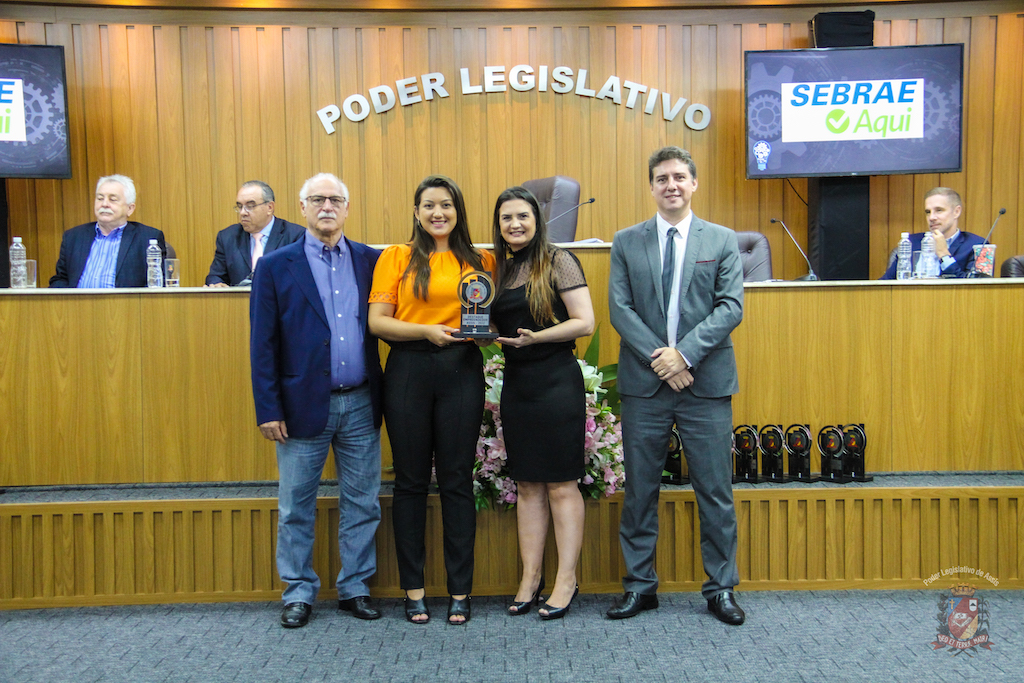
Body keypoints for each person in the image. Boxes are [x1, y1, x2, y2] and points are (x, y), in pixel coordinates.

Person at [607, 146, 746, 626]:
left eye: (680, 177)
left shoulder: (722, 239)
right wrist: (663, 361)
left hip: (704, 384)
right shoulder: (626, 241)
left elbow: (730, 307)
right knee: (640, 492)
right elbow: (620, 310)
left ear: (694, 184)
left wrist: (683, 355)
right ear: (651, 187)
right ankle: (639, 586)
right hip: (645, 386)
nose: (671, 185)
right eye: (662, 178)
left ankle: (721, 588)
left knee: (715, 491)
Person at [250, 172, 384, 629]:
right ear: (302, 207)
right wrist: (268, 408)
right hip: (300, 405)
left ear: (347, 208)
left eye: (335, 199)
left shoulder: (371, 260)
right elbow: (262, 344)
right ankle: (298, 591)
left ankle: (355, 587)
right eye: (317, 199)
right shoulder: (275, 265)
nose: (327, 207)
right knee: (295, 505)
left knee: (363, 502)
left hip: (361, 402)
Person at [368, 175, 496, 625]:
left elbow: (491, 317)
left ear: (458, 211)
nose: (438, 213)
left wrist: (487, 333)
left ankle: (460, 590)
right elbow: (378, 322)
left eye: (446, 205)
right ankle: (414, 589)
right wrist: (425, 332)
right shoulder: (396, 257)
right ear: (416, 212)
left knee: (458, 480)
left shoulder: (482, 260)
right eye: (429, 205)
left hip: (462, 370)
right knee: (411, 481)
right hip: (408, 370)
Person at [490, 187, 595, 621]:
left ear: (537, 220)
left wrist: (537, 338)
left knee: (560, 484)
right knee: (528, 485)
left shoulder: (558, 260)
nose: (515, 224)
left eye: (522, 216)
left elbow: (585, 322)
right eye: (506, 218)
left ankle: (566, 580)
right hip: (518, 386)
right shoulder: (500, 269)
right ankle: (530, 579)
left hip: (555, 382)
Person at [49, 174, 166, 288]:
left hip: (124, 302)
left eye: (112, 199)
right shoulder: (73, 237)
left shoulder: (147, 238)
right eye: (100, 198)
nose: (104, 204)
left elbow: (157, 285)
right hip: (77, 301)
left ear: (130, 209)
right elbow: (60, 279)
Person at [205, 180, 305, 287]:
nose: (243, 213)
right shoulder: (228, 237)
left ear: (270, 207)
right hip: (239, 298)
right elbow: (215, 276)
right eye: (240, 206)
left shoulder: (296, 236)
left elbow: (302, 278)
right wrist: (217, 284)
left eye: (250, 206)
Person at [880, 187, 984, 279]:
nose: (931, 217)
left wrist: (944, 255)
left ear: (956, 212)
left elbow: (974, 287)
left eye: (939, 210)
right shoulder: (912, 242)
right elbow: (885, 284)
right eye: (928, 212)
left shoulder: (977, 246)